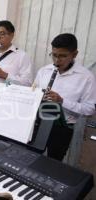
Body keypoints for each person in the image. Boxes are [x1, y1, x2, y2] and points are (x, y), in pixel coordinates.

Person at [34, 33, 96, 161]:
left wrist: (62, 101)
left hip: (61, 129)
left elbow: (90, 109)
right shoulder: (44, 71)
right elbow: (32, 92)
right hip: (37, 123)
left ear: (74, 54)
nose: (57, 60)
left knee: (53, 165)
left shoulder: (86, 77)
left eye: (62, 56)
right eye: (54, 55)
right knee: (30, 159)